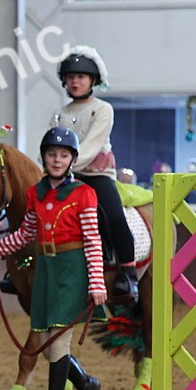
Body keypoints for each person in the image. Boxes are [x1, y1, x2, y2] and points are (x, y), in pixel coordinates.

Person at [0, 127, 106, 390]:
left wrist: (96, 282)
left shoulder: (84, 193)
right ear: (44, 157)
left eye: (64, 155)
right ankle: (85, 383)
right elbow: (26, 234)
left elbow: (93, 240)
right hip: (45, 268)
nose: (57, 160)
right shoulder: (35, 194)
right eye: (52, 154)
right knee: (46, 340)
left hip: (72, 268)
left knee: (57, 340)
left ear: (72, 160)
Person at [50, 46, 138, 301]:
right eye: (71, 77)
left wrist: (62, 167)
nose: (75, 81)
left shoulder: (102, 109)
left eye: (81, 77)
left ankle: (128, 273)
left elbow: (89, 148)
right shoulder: (60, 113)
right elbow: (48, 146)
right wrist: (47, 168)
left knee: (113, 216)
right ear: (65, 81)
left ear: (93, 81)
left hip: (95, 175)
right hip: (63, 176)